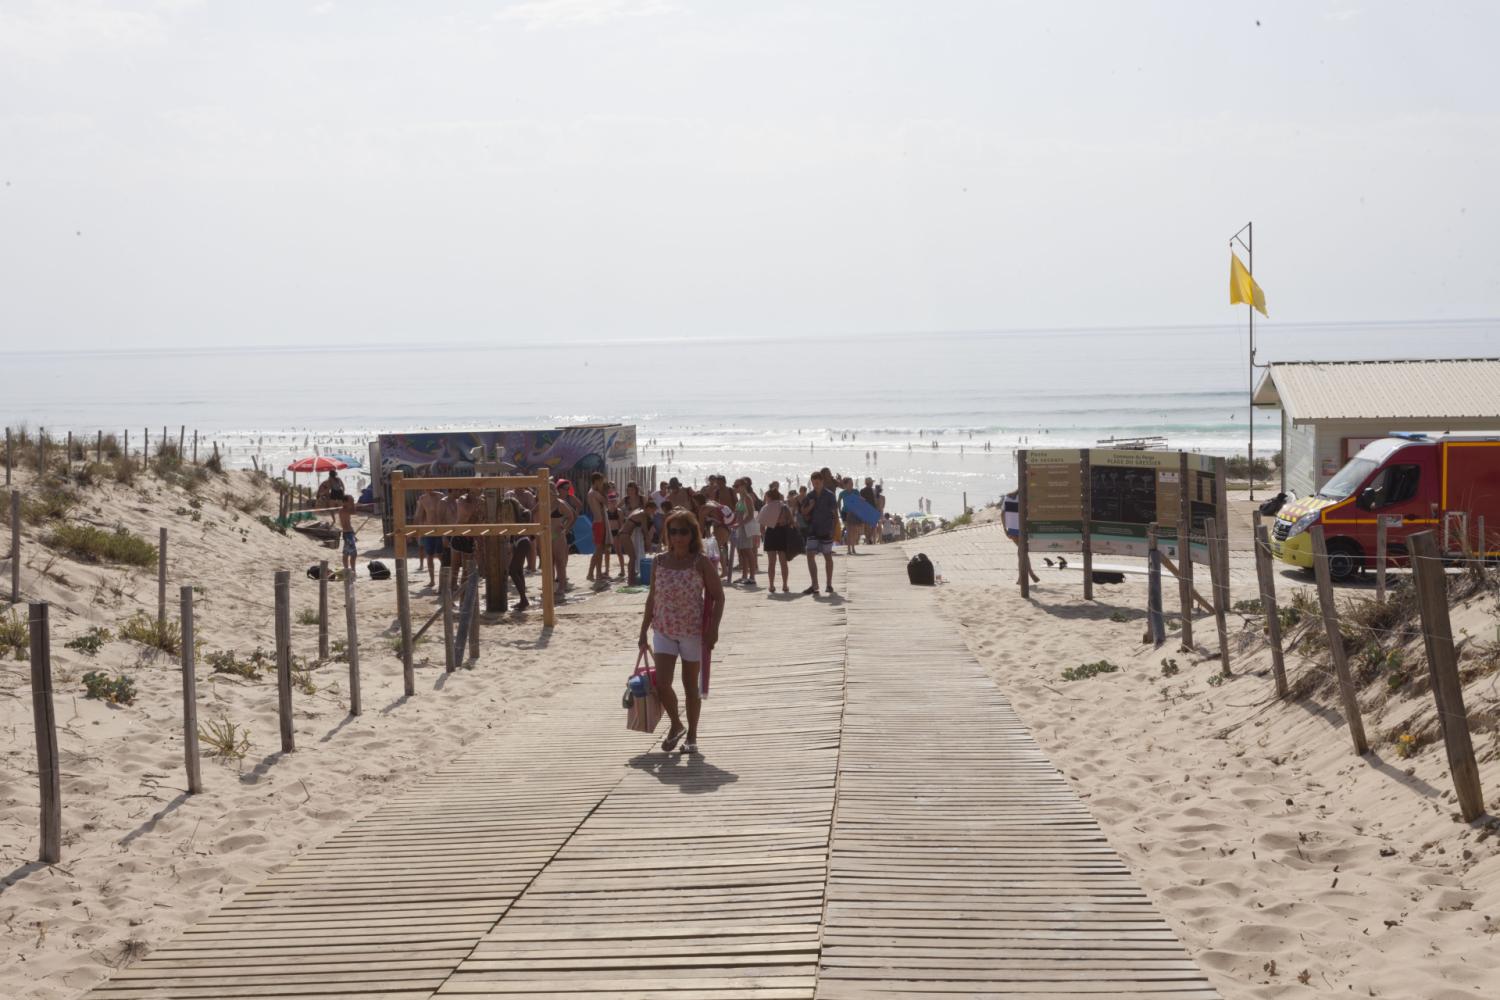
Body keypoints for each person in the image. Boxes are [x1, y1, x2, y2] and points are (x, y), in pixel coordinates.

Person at [638, 510, 725, 755]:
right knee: (663, 683)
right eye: (673, 531)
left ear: (693, 534)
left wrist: (713, 630)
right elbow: (652, 597)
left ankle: (693, 736)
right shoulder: (659, 561)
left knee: (690, 686)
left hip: (692, 631)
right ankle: (676, 724)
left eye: (683, 532)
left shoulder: (700, 562)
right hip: (663, 629)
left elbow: (718, 597)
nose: (678, 537)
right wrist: (643, 630)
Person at [800, 471, 837, 595]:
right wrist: (811, 506)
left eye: (817, 482)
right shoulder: (809, 496)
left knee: (827, 556)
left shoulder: (830, 495)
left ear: (822, 482)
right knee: (810, 555)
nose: (816, 485)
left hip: (826, 529)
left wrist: (834, 530)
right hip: (813, 529)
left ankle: (829, 584)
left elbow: (834, 513)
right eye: (813, 483)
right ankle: (814, 584)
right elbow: (803, 512)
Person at [412, 486, 449, 587]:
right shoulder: (422, 499)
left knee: (441, 555)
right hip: (428, 530)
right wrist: (417, 531)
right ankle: (432, 580)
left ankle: (445, 580)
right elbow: (418, 515)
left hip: (440, 530)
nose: (427, 489)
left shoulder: (441, 496)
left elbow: (446, 513)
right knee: (429, 556)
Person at [759, 483, 791, 593]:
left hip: (771, 533)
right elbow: (790, 521)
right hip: (782, 532)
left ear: (770, 497)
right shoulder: (784, 506)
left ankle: (771, 585)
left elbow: (762, 527)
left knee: (771, 562)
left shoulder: (765, 508)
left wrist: (764, 537)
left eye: (766, 497)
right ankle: (785, 585)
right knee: (783, 562)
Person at [1004, 491, 1040, 584]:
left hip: (1012, 529)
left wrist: (1005, 529)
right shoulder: (1028, 497)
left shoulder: (1008, 497)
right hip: (1023, 528)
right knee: (1022, 552)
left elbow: (1002, 514)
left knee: (1021, 551)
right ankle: (1029, 574)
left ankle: (1022, 577)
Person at [586, 472, 610, 585]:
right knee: (598, 550)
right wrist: (602, 490)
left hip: (599, 522)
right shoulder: (594, 493)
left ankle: (598, 573)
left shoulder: (593, 493)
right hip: (599, 523)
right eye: (600, 482)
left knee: (600, 550)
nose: (602, 484)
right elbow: (606, 501)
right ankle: (591, 572)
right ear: (596, 481)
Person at [335, 495, 358, 575]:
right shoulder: (343, 510)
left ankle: (347, 569)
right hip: (347, 533)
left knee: (347, 552)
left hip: (349, 533)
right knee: (353, 554)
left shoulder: (344, 510)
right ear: (345, 502)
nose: (351, 502)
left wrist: (353, 534)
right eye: (350, 501)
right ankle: (352, 570)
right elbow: (354, 512)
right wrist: (353, 505)